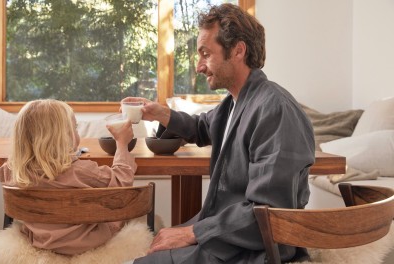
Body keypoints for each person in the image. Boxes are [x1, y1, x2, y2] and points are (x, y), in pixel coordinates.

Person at [123, 3, 315, 264]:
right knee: (153, 244)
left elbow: (268, 213)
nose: (199, 66)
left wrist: (193, 233)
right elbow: (202, 127)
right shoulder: (236, 101)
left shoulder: (275, 111)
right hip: (225, 235)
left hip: (254, 251)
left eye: (205, 54)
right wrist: (159, 113)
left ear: (238, 50)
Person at [0, 99, 136, 255]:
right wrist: (122, 144)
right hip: (90, 242)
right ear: (64, 137)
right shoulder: (82, 171)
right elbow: (122, 181)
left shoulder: (10, 171)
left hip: (40, 241)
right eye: (74, 128)